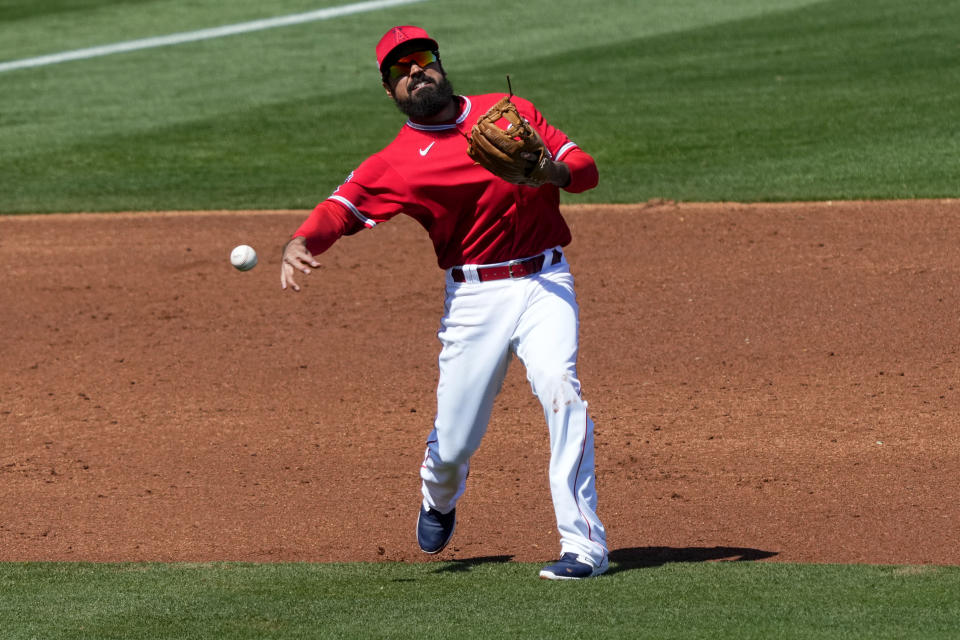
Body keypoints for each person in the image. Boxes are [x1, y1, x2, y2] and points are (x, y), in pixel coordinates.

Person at [280, 25, 608, 580]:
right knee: (455, 444)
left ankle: (584, 548)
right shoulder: (397, 163)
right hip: (474, 300)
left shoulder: (510, 113)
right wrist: (299, 242)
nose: (415, 71)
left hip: (545, 281)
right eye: (399, 70)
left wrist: (549, 170)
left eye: (422, 59)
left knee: (561, 390)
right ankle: (439, 494)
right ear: (389, 90)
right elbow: (339, 209)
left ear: (439, 62)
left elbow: (587, 171)